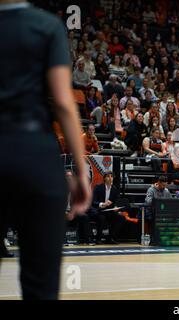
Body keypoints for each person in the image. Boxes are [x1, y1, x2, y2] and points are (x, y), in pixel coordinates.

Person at [0, 1, 91, 299]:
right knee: (40, 287)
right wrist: (80, 169)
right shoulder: (46, 26)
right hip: (34, 156)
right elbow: (64, 104)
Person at [88, 172, 125, 245]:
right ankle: (98, 239)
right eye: (108, 176)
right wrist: (102, 204)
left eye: (112, 176)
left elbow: (116, 201)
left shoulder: (114, 189)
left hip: (109, 211)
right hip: (98, 211)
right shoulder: (98, 187)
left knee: (120, 218)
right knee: (101, 218)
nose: (110, 178)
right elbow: (93, 201)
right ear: (104, 178)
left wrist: (116, 207)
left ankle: (110, 238)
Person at [144, 176, 172, 243]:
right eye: (162, 185)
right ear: (158, 183)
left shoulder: (166, 191)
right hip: (152, 211)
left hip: (162, 212)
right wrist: (158, 202)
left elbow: (171, 201)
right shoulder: (151, 189)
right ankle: (153, 238)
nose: (163, 187)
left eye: (165, 185)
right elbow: (148, 201)